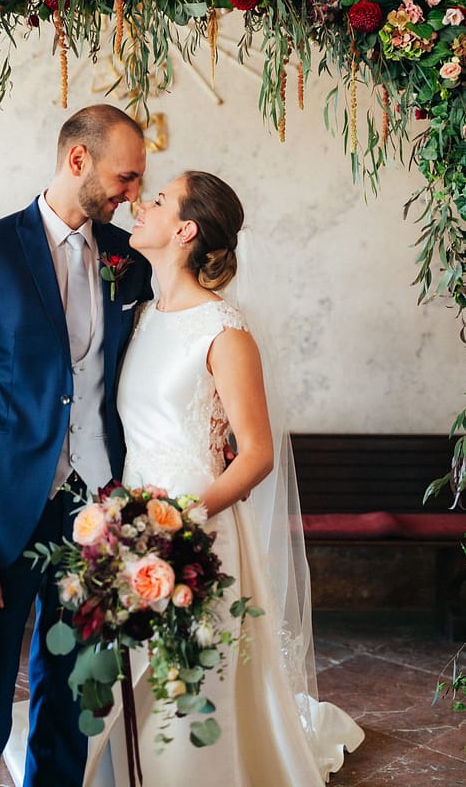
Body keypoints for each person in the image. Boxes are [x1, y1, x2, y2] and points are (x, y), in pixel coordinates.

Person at [81, 170, 365, 786]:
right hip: (132, 527)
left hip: (196, 533)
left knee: (186, 691)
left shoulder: (224, 330)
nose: (139, 203)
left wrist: (178, 520)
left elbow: (257, 454)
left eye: (156, 200)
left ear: (185, 229)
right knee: (124, 691)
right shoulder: (144, 316)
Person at [0, 103, 153, 787]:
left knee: (72, 701)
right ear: (77, 160)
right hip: (2, 519)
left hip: (96, 515)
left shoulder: (126, 260)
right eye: (125, 177)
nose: (132, 194)